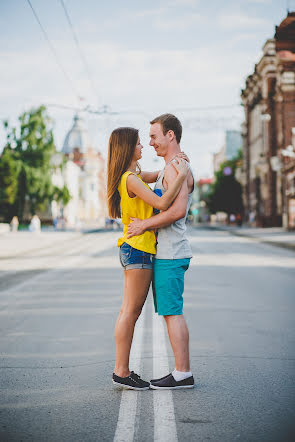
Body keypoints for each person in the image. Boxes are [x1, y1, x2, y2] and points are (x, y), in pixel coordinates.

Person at [107, 126, 189, 391]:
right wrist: (183, 173)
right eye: (140, 143)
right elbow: (164, 203)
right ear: (128, 148)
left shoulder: (136, 174)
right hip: (138, 249)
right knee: (130, 311)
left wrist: (173, 166)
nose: (144, 147)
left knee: (130, 311)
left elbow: (159, 174)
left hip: (138, 249)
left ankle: (122, 369)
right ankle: (121, 370)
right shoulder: (130, 178)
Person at [127, 114, 195, 389]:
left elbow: (177, 211)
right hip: (168, 252)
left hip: (171, 252)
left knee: (172, 312)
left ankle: (182, 373)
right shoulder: (172, 167)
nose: (151, 142)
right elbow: (135, 176)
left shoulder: (175, 169)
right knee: (170, 311)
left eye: (154, 136)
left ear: (171, 135)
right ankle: (181, 371)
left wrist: (144, 224)